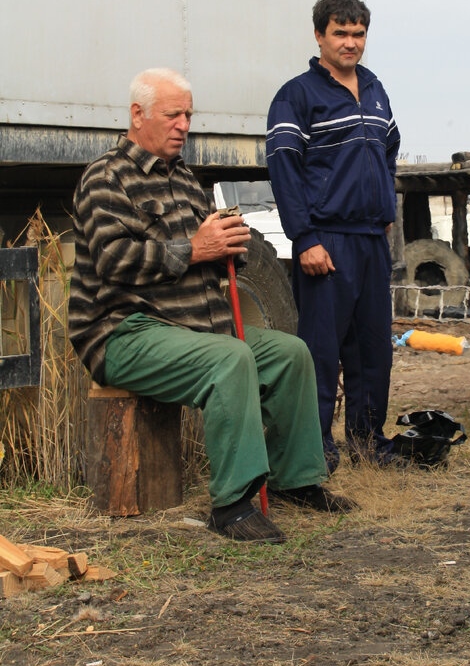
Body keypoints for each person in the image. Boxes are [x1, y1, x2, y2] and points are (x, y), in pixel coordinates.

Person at [68, 67, 353, 543]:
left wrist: (230, 249)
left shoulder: (183, 179)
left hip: (192, 327)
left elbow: (207, 256)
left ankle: (297, 479)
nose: (184, 125)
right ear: (138, 115)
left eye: (189, 115)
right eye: (173, 114)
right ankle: (234, 505)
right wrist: (196, 248)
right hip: (125, 332)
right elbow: (114, 261)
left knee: (290, 354)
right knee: (229, 359)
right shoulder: (105, 177)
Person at [266, 0, 400, 471]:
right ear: (319, 35)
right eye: (340, 33)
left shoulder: (376, 89)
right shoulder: (297, 95)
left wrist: (385, 203)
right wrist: (304, 238)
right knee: (321, 353)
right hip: (326, 239)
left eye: (358, 33)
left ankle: (368, 443)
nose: (351, 42)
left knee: (372, 351)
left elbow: (388, 150)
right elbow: (284, 168)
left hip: (370, 241)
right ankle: (315, 449)